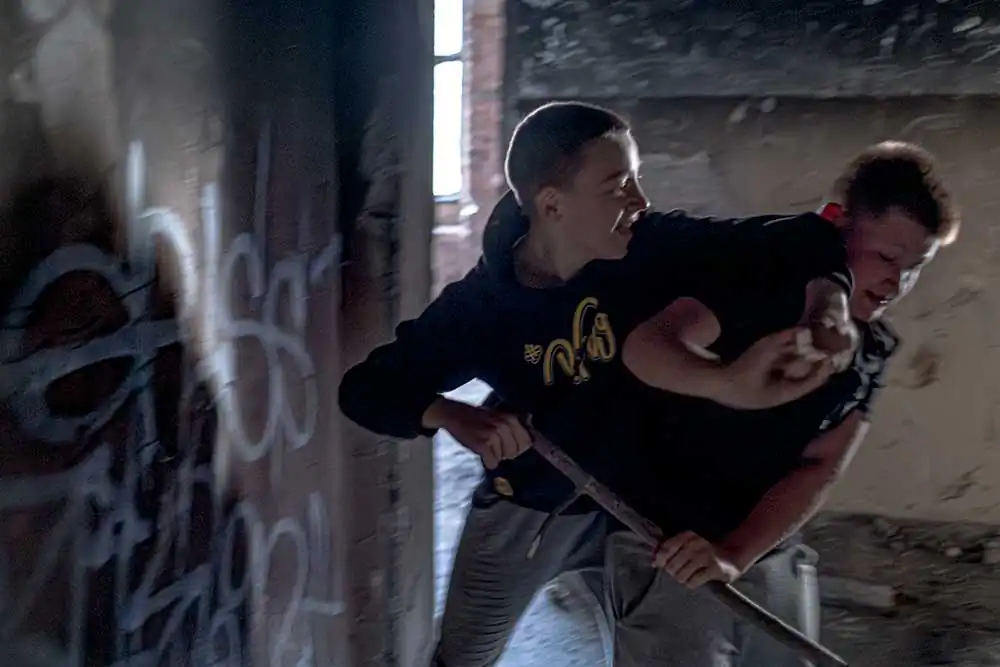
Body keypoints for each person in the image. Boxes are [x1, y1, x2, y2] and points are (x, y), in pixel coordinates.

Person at [338, 101, 860, 667]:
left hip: (638, 510)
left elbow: (801, 238)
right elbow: (367, 389)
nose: (640, 200)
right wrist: (454, 416)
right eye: (618, 186)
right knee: (463, 657)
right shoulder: (482, 306)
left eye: (636, 179)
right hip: (532, 507)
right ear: (552, 205)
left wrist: (828, 307)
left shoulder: (652, 246)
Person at [586, 140, 956, 666]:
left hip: (763, 548)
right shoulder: (761, 280)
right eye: (887, 258)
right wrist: (726, 380)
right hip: (667, 543)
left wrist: (736, 554)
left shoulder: (873, 350)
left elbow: (820, 464)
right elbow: (650, 345)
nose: (897, 283)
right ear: (838, 226)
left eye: (915, 268)